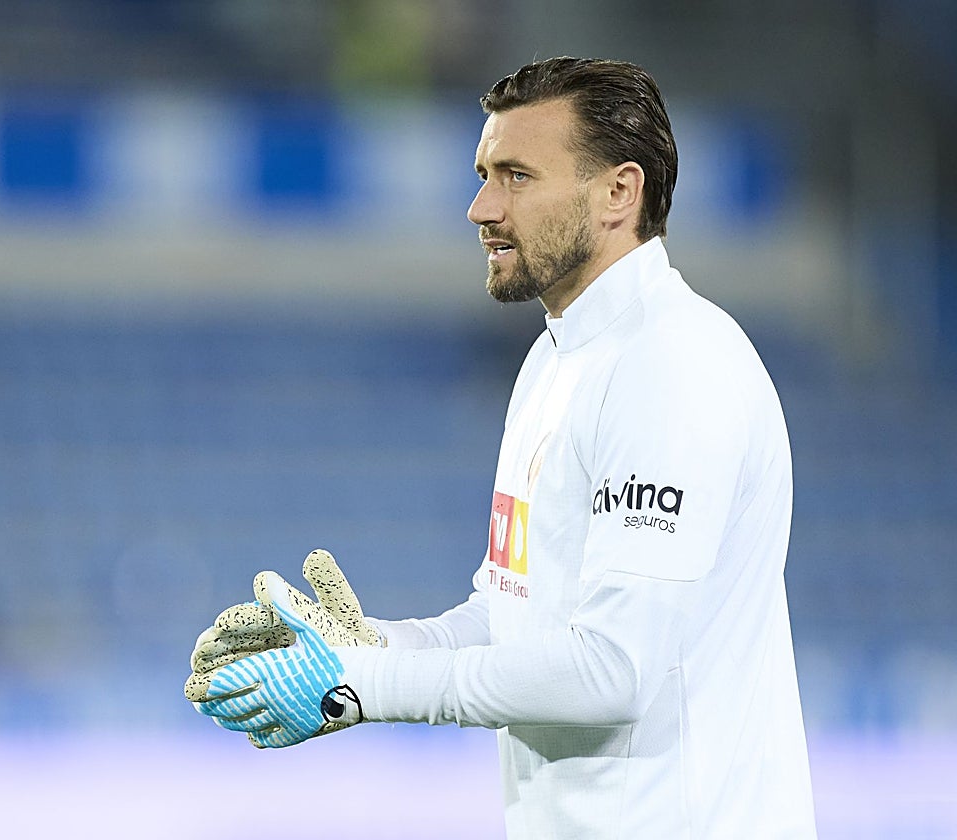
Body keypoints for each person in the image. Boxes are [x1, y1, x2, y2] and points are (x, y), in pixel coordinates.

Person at [185, 56, 818, 839]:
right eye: (485, 173)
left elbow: (611, 672)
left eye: (517, 176)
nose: (481, 206)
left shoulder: (673, 363)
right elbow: (509, 615)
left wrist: (361, 685)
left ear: (620, 192)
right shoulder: (555, 359)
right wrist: (375, 644)